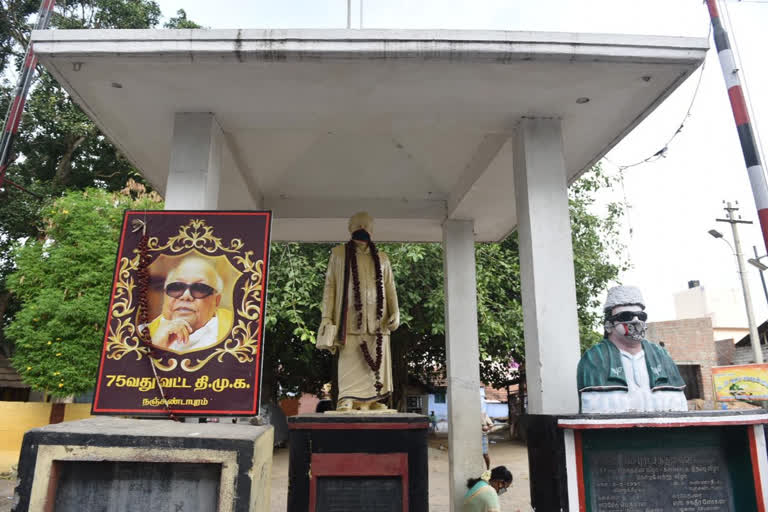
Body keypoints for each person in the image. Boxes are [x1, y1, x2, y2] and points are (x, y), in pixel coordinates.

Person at [318, 212, 400, 411]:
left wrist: (395, 312)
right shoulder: (339, 254)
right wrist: (327, 317)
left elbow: (390, 287)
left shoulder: (382, 258)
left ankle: (373, 400)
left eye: (366, 225)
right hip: (350, 318)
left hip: (377, 320)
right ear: (350, 228)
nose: (362, 227)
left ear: (372, 230)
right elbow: (330, 287)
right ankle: (346, 399)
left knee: (374, 359)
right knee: (350, 357)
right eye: (358, 224)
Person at [577, 285, 687, 413]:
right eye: (626, 316)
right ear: (608, 326)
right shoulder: (594, 358)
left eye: (641, 316)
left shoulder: (661, 356)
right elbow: (594, 410)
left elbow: (679, 406)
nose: (636, 321)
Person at [148, 256, 233, 352]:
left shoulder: (239, 336)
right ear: (165, 295)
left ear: (216, 300)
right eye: (176, 287)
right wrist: (155, 347)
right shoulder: (139, 335)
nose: (186, 296)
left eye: (199, 288)